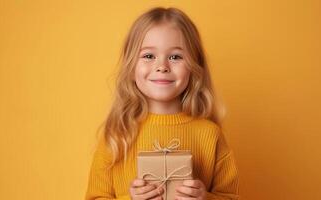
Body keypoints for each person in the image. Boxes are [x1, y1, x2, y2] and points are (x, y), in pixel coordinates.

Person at [85, 6, 239, 200]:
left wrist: (206, 198)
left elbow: (230, 196)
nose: (162, 67)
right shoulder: (117, 136)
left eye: (175, 57)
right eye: (149, 56)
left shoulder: (210, 135)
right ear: (131, 67)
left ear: (194, 67)